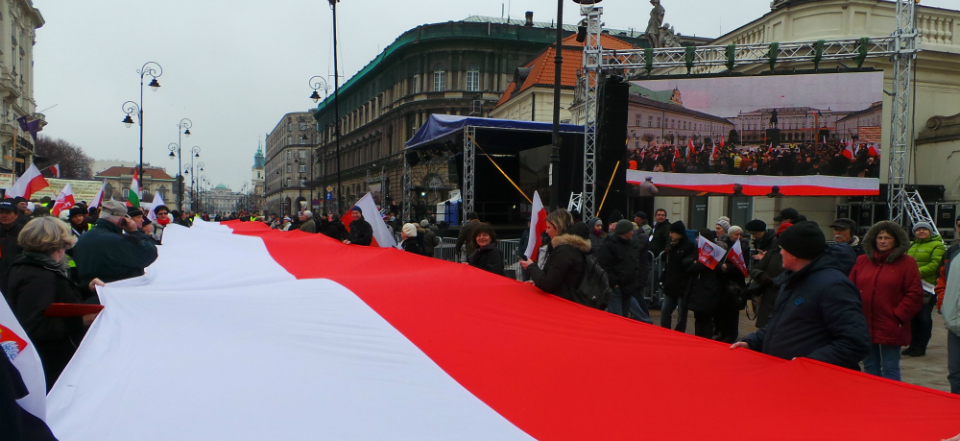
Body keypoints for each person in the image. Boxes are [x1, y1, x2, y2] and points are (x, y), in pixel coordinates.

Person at [733, 222, 871, 371]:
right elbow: (780, 325)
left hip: (817, 382)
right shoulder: (792, 279)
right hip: (789, 374)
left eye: (783, 249)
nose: (780, 253)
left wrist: (809, 363)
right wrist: (751, 342)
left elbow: (855, 341)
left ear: (795, 253)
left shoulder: (834, 285)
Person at [7, 217, 105, 390]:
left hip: (50, 357)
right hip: (51, 361)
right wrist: (80, 321)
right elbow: (33, 325)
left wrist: (85, 289)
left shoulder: (34, 266)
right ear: (58, 246)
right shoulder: (38, 276)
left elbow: (55, 298)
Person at [849, 221, 923, 380]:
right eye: (880, 237)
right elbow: (850, 288)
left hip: (891, 323)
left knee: (890, 368)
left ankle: (892, 402)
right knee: (869, 366)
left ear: (896, 240)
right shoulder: (862, 261)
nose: (883, 241)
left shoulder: (907, 263)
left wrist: (897, 315)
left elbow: (914, 293)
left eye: (887, 238)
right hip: (864, 323)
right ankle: (872, 400)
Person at [72, 201, 159, 295]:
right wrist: (135, 232)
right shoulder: (119, 241)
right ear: (122, 220)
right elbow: (149, 254)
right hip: (116, 296)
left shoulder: (83, 238)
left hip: (89, 294)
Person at [519, 209, 590, 302]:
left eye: (549, 227)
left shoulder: (565, 250)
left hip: (563, 304)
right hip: (566, 301)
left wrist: (531, 267)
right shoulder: (568, 248)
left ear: (558, 227)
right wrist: (537, 283)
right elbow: (557, 280)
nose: (546, 231)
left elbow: (549, 284)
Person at [903, 221, 945, 357]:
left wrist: (912, 273)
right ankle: (913, 345)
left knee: (924, 317)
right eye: (918, 229)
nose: (921, 231)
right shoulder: (912, 245)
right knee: (913, 317)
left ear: (930, 231)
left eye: (924, 229)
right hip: (912, 286)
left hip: (928, 287)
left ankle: (921, 347)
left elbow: (934, 265)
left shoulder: (938, 245)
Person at [597, 219, 649, 323]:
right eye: (631, 230)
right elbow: (604, 265)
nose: (632, 232)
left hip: (628, 287)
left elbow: (632, 262)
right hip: (617, 288)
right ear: (625, 232)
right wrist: (614, 283)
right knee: (616, 320)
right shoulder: (610, 245)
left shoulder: (629, 244)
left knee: (624, 320)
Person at [936, 214, 960, 393]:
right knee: (955, 374)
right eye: (959, 225)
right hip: (954, 325)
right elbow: (941, 280)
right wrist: (943, 305)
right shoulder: (952, 252)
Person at [661, 220, 695, 331]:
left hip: (682, 284)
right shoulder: (673, 245)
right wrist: (663, 278)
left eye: (673, 232)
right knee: (665, 309)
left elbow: (687, 265)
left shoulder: (689, 246)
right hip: (671, 283)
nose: (670, 235)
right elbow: (670, 264)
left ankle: (679, 332)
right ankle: (665, 330)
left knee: (682, 312)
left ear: (679, 233)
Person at [0, 201, 25, 300]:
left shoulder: (24, 232)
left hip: (17, 277)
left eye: (8, 212)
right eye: (1, 212)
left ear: (16, 215)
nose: (4, 216)